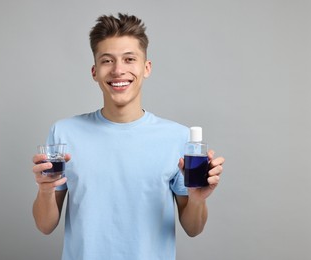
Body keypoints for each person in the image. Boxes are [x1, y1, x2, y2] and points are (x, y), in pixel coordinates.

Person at [32, 13, 225, 260]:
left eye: (129, 59)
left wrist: (197, 200)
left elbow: (193, 228)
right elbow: (45, 225)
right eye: (107, 60)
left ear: (146, 68)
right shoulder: (64, 133)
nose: (118, 70)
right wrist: (45, 191)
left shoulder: (178, 137)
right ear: (94, 71)